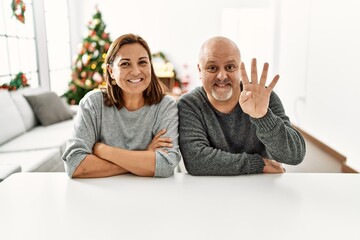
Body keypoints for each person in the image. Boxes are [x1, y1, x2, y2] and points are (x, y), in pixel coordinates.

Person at [178, 36, 306, 175]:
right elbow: (196, 161)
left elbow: (295, 155)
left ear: (240, 68)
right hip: (212, 191)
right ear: (199, 70)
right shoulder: (189, 104)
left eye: (230, 67)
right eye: (212, 68)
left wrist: (263, 117)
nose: (221, 76)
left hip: (261, 190)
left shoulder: (262, 97)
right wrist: (259, 164)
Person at [62, 33, 180, 178]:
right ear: (111, 71)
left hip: (151, 193)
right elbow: (75, 165)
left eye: (142, 62)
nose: (136, 71)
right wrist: (144, 158)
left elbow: (166, 165)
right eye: (125, 64)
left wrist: (104, 150)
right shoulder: (93, 103)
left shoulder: (165, 106)